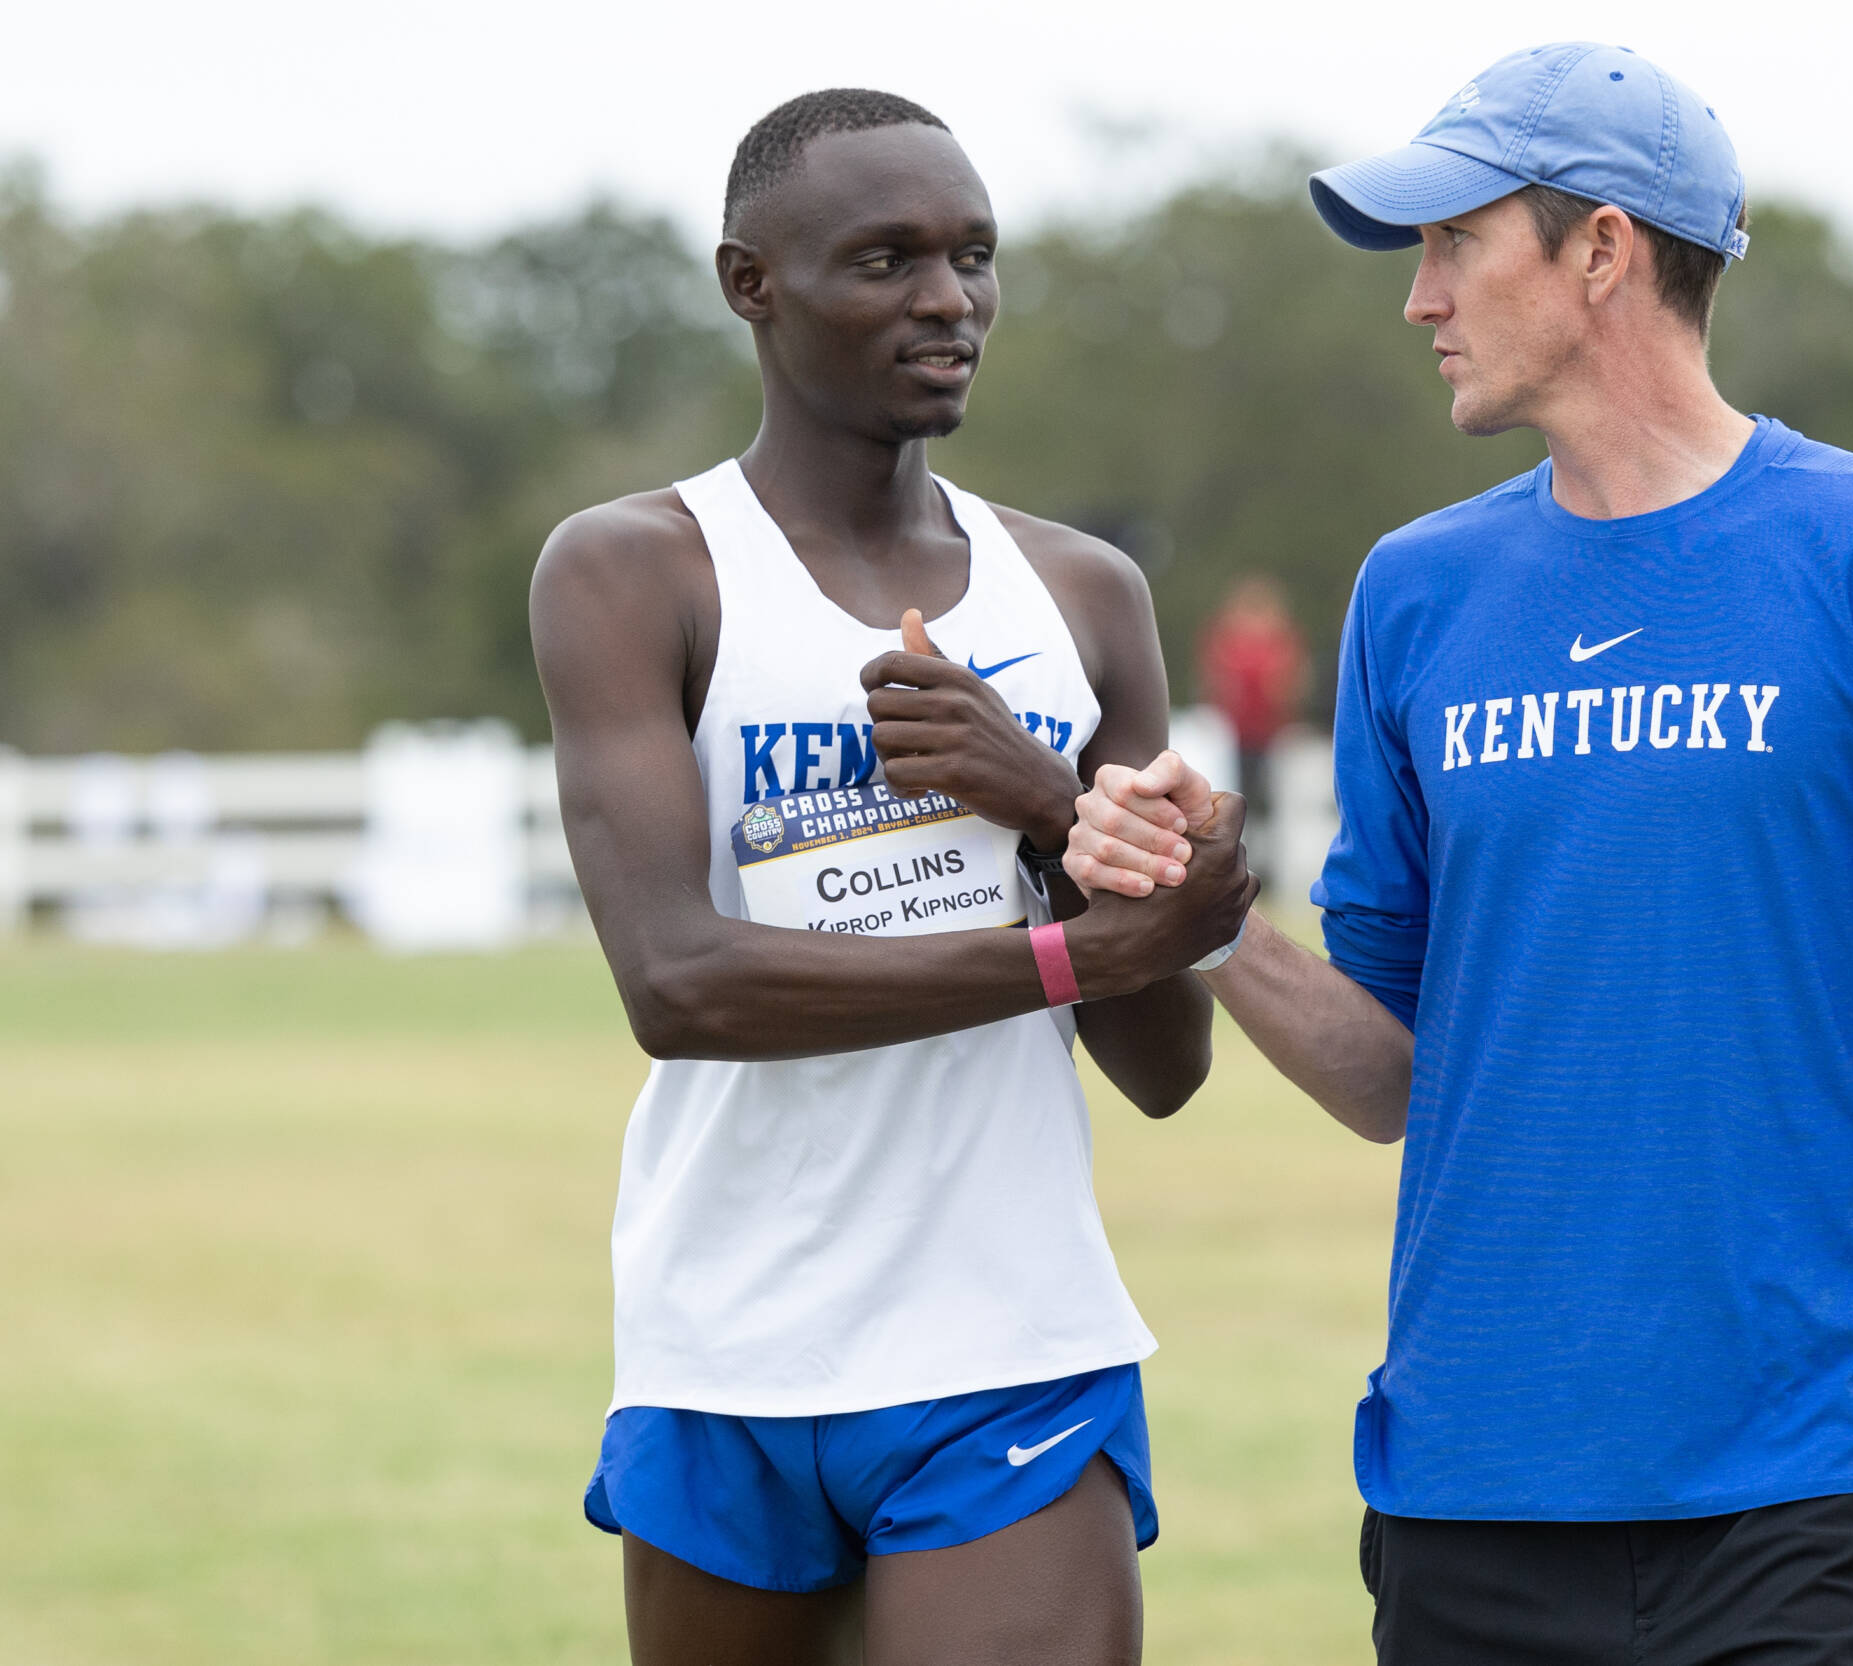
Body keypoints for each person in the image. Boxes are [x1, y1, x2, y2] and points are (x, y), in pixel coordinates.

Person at [1065, 43, 1853, 1665]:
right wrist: (1212, 922)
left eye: (1454, 244)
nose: (1420, 302)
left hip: (1808, 1491)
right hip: (1467, 1499)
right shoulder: (1411, 594)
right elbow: (1389, 1076)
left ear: (1602, 251)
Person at [528, 89, 1251, 1666]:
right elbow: (682, 986)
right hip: (720, 1348)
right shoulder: (636, 568)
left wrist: (1052, 807)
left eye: (974, 256)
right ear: (750, 283)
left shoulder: (1083, 594)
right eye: (887, 258)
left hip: (1008, 1341)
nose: (949, 299)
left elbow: (1165, 1061)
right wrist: (1084, 956)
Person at [1197, 573, 1310, 825]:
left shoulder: (1281, 639)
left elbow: (1290, 682)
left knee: (1272, 797)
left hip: (1272, 732)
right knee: (1233, 791)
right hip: (1234, 732)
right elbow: (1214, 680)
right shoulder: (1227, 637)